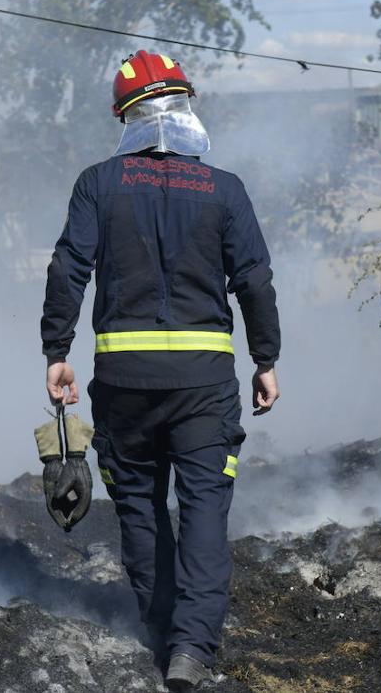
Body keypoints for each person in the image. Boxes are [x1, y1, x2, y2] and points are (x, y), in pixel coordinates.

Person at [40, 50, 281, 690]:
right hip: (204, 387)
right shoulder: (224, 189)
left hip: (124, 386)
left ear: (127, 117)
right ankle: (192, 652)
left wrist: (56, 351)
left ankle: (160, 634)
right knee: (203, 512)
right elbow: (253, 280)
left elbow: (69, 268)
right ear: (186, 107)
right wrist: (266, 359)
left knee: (142, 511)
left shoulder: (99, 182)